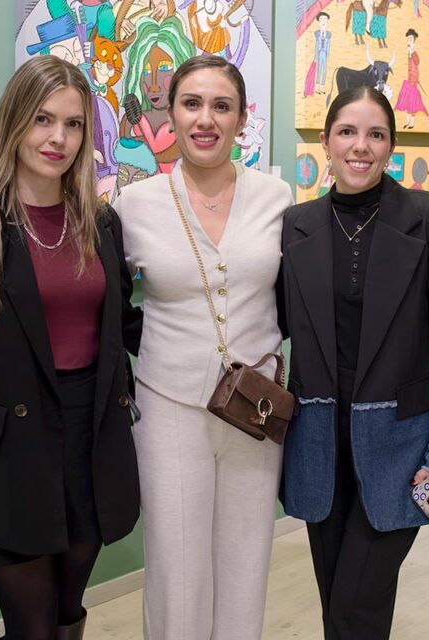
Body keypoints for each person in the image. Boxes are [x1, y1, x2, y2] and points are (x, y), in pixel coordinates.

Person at [0, 55, 142, 640]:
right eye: (43, 119)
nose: (57, 138)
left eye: (73, 124)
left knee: (67, 611)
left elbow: (123, 327)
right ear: (15, 120)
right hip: (7, 450)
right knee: (31, 625)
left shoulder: (100, 222)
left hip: (91, 439)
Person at [279, 86, 429, 640]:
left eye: (376, 134)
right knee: (338, 602)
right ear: (326, 141)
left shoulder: (427, 216)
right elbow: (275, 322)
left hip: (401, 446)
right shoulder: (296, 224)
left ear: (390, 145)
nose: (360, 146)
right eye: (347, 132)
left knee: (355, 604)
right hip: (318, 446)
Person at [113, 54, 292, 640]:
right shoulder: (134, 205)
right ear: (171, 112)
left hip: (255, 409)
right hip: (169, 408)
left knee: (246, 564)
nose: (205, 119)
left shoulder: (277, 198)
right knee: (177, 571)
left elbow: (296, 298)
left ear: (241, 118)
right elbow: (109, 305)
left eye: (222, 106)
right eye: (192, 104)